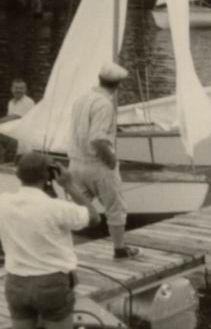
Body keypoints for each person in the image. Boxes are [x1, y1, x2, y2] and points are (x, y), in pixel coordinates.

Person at [0, 152, 100, 329]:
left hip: (16, 282)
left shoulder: (3, 202)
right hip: (51, 282)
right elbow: (94, 217)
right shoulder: (57, 207)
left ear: (18, 173)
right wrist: (68, 185)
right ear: (48, 174)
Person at [67, 63, 139, 260]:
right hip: (97, 165)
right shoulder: (104, 104)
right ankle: (119, 249)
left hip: (75, 162)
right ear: (118, 85)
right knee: (115, 208)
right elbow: (97, 139)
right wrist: (111, 160)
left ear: (100, 79)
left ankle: (63, 247)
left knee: (76, 208)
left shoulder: (81, 99)